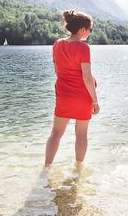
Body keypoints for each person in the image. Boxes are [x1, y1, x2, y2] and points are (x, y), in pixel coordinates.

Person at [44, 10, 99, 168]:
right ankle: (78, 169)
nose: (90, 32)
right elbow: (87, 78)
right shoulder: (83, 48)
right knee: (81, 135)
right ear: (83, 29)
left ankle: (46, 167)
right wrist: (95, 102)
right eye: (90, 29)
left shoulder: (57, 44)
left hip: (64, 95)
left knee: (56, 133)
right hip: (82, 97)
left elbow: (57, 71)